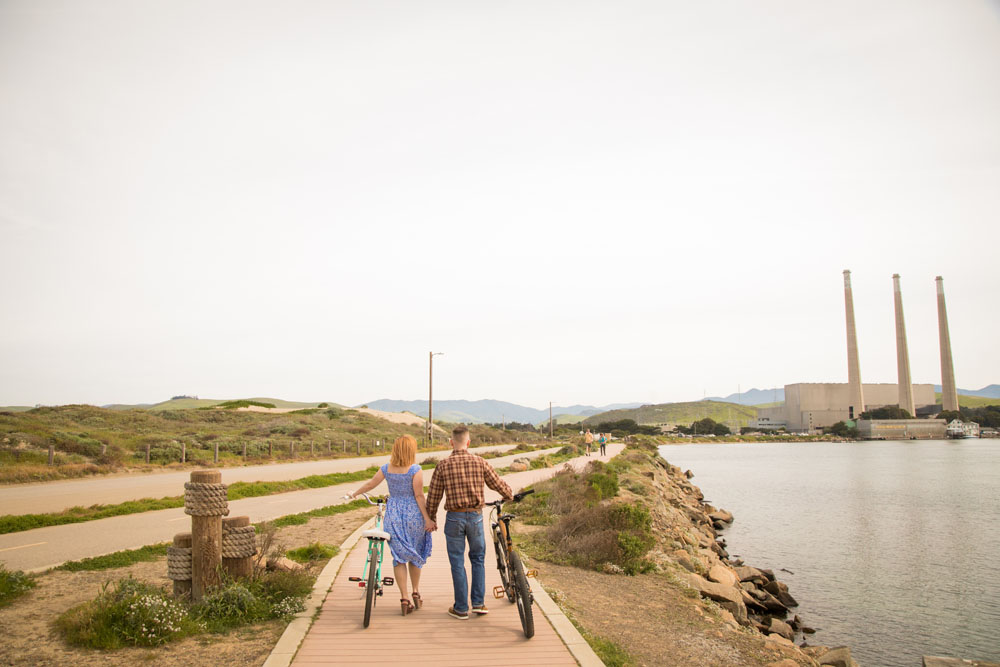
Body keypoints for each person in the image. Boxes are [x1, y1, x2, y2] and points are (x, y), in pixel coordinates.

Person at [426, 425, 513, 620]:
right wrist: (509, 495)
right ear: (468, 442)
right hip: (475, 517)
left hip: (454, 518)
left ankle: (461, 608)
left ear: (451, 442)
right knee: (478, 559)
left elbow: (433, 497)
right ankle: (479, 603)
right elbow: (497, 483)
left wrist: (431, 518)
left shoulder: (443, 465)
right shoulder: (480, 462)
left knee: (457, 562)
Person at [348, 434, 434, 616]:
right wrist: (427, 518)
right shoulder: (415, 469)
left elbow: (371, 484)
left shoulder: (386, 469)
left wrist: (355, 493)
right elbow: (419, 496)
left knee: (399, 557)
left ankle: (404, 598)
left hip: (393, 513)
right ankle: (416, 591)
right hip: (413, 514)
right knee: (414, 553)